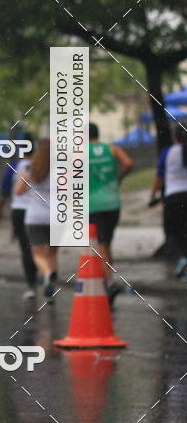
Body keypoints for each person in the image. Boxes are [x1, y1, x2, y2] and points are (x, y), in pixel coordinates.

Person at [88, 122, 133, 303]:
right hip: (113, 203)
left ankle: (109, 282)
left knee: (101, 244)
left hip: (93, 205)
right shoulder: (111, 149)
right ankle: (108, 279)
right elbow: (129, 163)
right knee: (106, 242)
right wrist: (117, 178)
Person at [15, 137, 58, 301]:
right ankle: (51, 288)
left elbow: (18, 191)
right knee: (52, 254)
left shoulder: (31, 169)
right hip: (55, 217)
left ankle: (47, 274)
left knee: (38, 254)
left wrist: (30, 190)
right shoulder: (60, 170)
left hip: (34, 217)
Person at [0, 135, 37, 299]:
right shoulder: (43, 165)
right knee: (41, 248)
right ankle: (48, 276)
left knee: (25, 249)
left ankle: (32, 286)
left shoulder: (14, 166)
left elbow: (4, 190)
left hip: (19, 211)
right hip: (39, 211)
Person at [150, 123, 187, 279]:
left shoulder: (167, 152)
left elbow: (159, 177)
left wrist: (152, 196)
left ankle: (183, 259)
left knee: (172, 232)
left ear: (175, 137)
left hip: (173, 198)